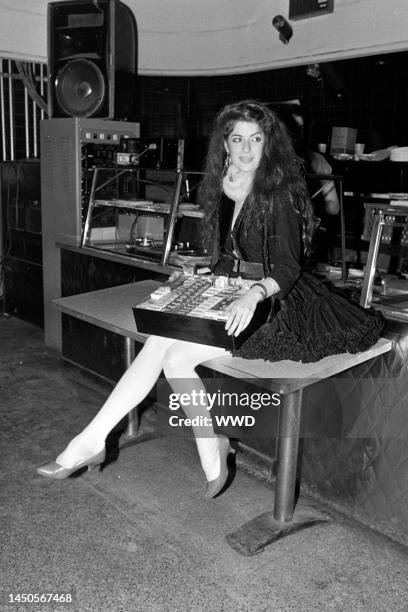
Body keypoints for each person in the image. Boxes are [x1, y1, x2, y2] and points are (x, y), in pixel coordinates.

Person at [37, 100, 384, 497]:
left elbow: (286, 269)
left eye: (257, 139)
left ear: (269, 144)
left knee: (172, 355)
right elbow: (229, 256)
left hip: (276, 303)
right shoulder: (226, 186)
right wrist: (201, 273)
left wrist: (252, 294)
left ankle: (105, 442)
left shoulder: (280, 191)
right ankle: (156, 445)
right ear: (226, 144)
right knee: (166, 351)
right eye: (239, 139)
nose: (248, 149)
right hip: (238, 293)